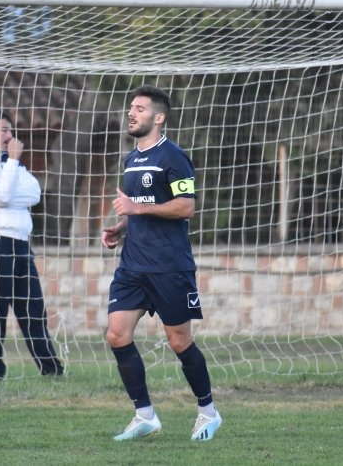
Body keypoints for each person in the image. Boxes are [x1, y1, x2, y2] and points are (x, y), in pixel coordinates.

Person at [101, 85, 222, 441]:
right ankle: (145, 416)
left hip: (169, 266)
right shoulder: (130, 159)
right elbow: (140, 207)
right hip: (132, 266)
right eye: (131, 107)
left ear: (159, 117)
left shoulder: (173, 157)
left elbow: (186, 206)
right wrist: (122, 227)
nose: (131, 113)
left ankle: (208, 412)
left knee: (180, 342)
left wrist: (137, 209)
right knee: (116, 334)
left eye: (139, 108)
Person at [0, 108, 63, 379]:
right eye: (5, 129)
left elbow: (34, 193)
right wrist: (8, 180)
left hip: (21, 244)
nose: (10, 136)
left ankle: (52, 370)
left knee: (33, 310)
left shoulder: (11, 164)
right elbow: (5, 195)